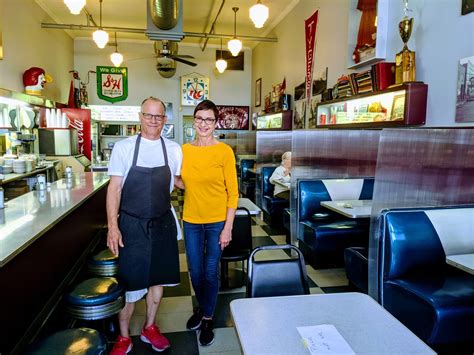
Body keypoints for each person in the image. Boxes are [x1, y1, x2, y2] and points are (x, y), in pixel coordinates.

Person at [106, 97, 183, 355]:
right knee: (130, 283)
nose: (153, 120)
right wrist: (112, 226)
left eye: (158, 116)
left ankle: (150, 327)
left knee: (157, 280)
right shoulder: (124, 147)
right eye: (148, 115)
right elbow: (114, 188)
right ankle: (124, 337)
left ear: (165, 119)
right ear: (140, 117)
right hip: (131, 224)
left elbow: (182, 181)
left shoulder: (173, 149)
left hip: (162, 223)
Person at [174, 99, 238, 346]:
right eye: (199, 119)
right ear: (194, 121)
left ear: (215, 122)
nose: (203, 124)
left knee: (211, 272)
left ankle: (208, 317)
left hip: (216, 223)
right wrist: (190, 188)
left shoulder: (224, 151)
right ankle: (202, 307)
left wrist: (228, 227)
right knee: (195, 271)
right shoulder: (184, 150)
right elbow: (179, 179)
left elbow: (232, 193)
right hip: (191, 219)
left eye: (209, 119)